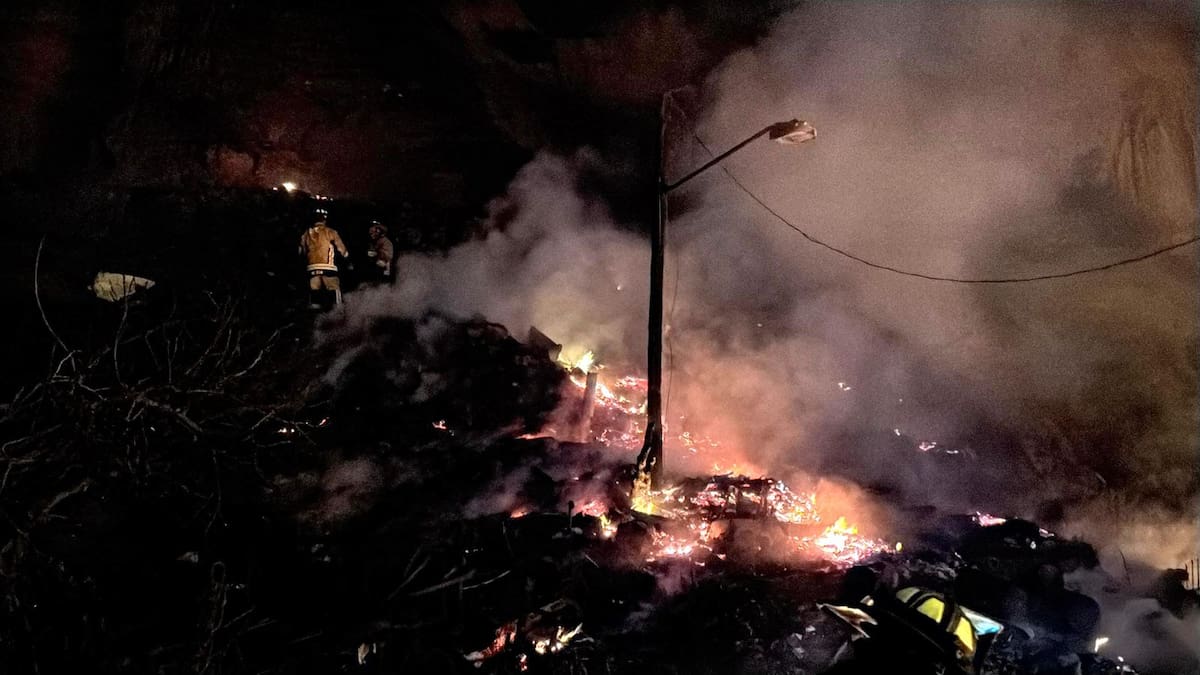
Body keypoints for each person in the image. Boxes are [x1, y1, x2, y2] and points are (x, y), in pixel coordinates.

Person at [298, 209, 349, 308]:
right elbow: (342, 249)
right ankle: (338, 312)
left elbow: (301, 252)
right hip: (328, 268)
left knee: (314, 292)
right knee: (334, 289)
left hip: (311, 268)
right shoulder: (330, 232)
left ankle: (315, 317)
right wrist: (346, 256)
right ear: (325, 220)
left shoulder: (306, 234)